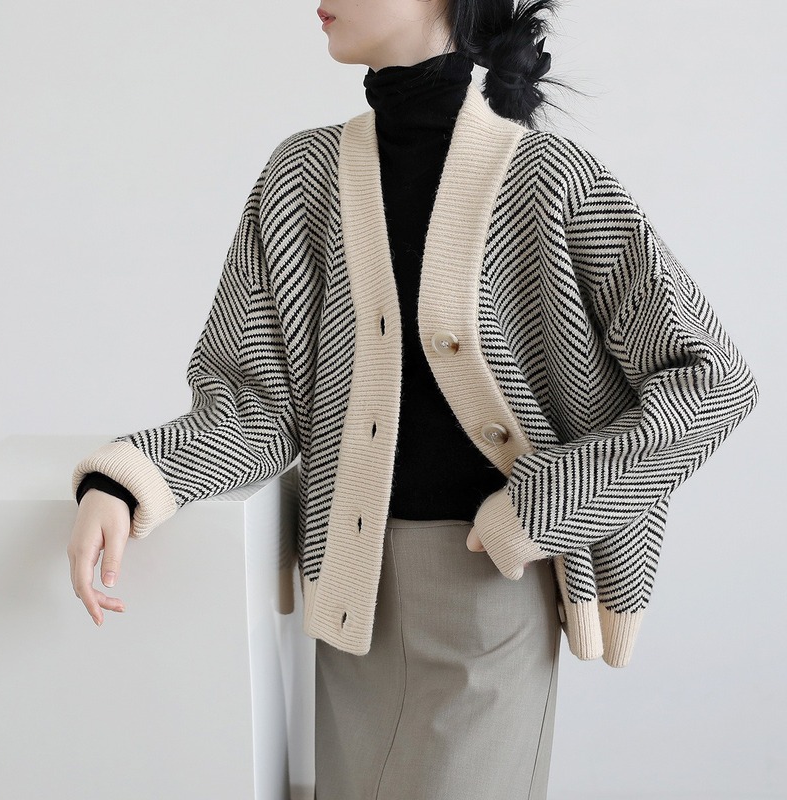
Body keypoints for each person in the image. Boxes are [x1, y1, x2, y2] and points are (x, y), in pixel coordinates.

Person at [67, 1, 759, 797]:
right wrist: (129, 479)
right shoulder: (301, 177)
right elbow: (256, 404)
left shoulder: (551, 179)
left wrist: (540, 507)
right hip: (351, 602)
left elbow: (713, 381)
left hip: (489, 595)